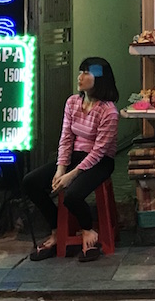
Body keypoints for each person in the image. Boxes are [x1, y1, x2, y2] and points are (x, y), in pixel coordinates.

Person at [23, 57, 119, 262]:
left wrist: (72, 175)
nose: (80, 77)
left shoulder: (109, 111)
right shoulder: (73, 102)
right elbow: (66, 138)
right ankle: (57, 230)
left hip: (100, 161)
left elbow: (99, 151)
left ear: (100, 80)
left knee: (72, 195)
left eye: (86, 73)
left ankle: (87, 230)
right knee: (31, 182)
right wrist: (60, 169)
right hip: (74, 157)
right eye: (80, 72)